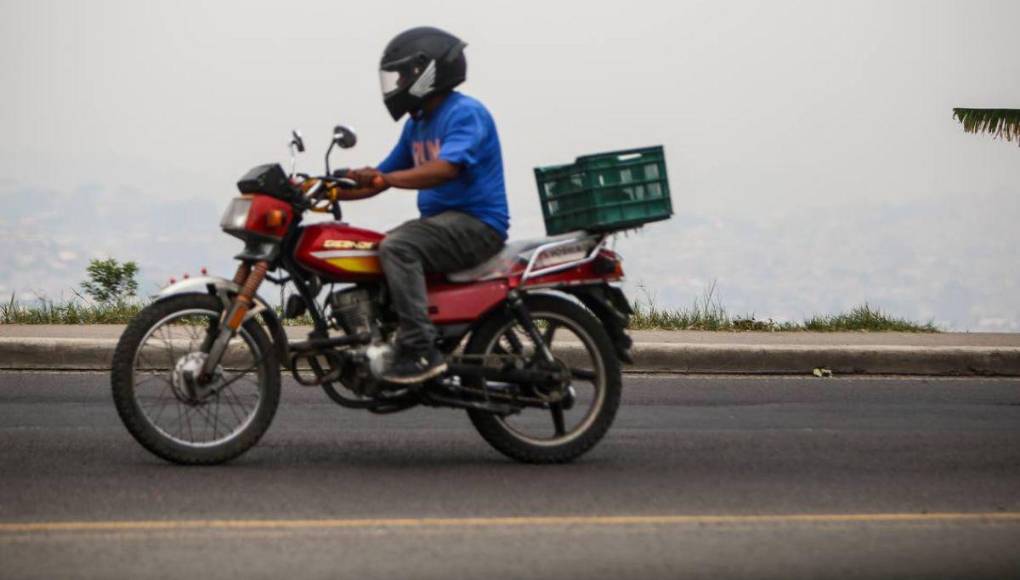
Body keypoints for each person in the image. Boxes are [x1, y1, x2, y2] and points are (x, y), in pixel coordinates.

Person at [345, 26, 509, 385]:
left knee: (398, 246)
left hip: (477, 225)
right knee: (368, 248)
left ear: (426, 72)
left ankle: (421, 348)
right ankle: (392, 337)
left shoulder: (465, 113)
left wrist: (385, 179)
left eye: (404, 74)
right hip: (443, 225)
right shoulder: (417, 124)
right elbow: (382, 177)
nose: (399, 82)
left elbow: (445, 168)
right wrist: (328, 190)